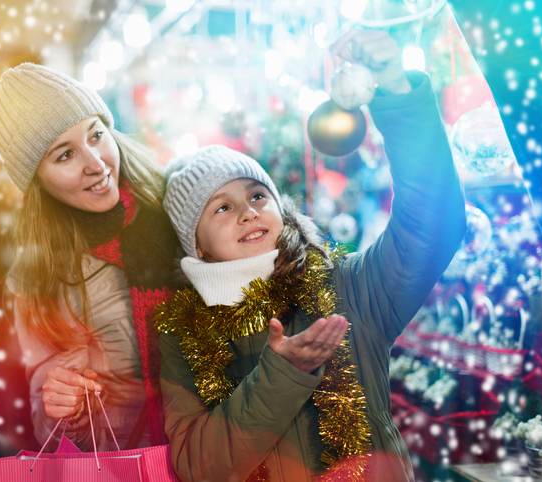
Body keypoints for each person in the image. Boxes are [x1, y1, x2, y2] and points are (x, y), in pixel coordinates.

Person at [154, 30, 466, 481]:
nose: (248, 212)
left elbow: (432, 224)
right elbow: (199, 466)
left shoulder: (347, 286)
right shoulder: (183, 334)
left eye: (258, 195)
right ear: (197, 244)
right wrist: (283, 373)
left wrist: (397, 93)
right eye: (222, 207)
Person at [0, 63, 180, 450]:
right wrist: (60, 404)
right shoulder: (39, 277)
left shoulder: (176, 207)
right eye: (64, 155)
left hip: (218, 457)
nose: (95, 163)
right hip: (131, 465)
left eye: (95, 135)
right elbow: (46, 413)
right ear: (36, 181)